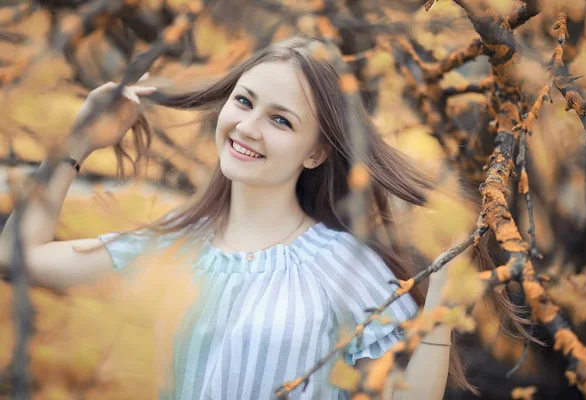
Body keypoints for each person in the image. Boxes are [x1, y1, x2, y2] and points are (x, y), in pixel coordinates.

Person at [0, 36, 523, 399]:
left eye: (279, 119)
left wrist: (443, 305)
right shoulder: (168, 247)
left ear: (315, 152)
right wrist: (76, 144)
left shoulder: (345, 268)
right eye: (243, 101)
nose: (247, 127)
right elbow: (16, 256)